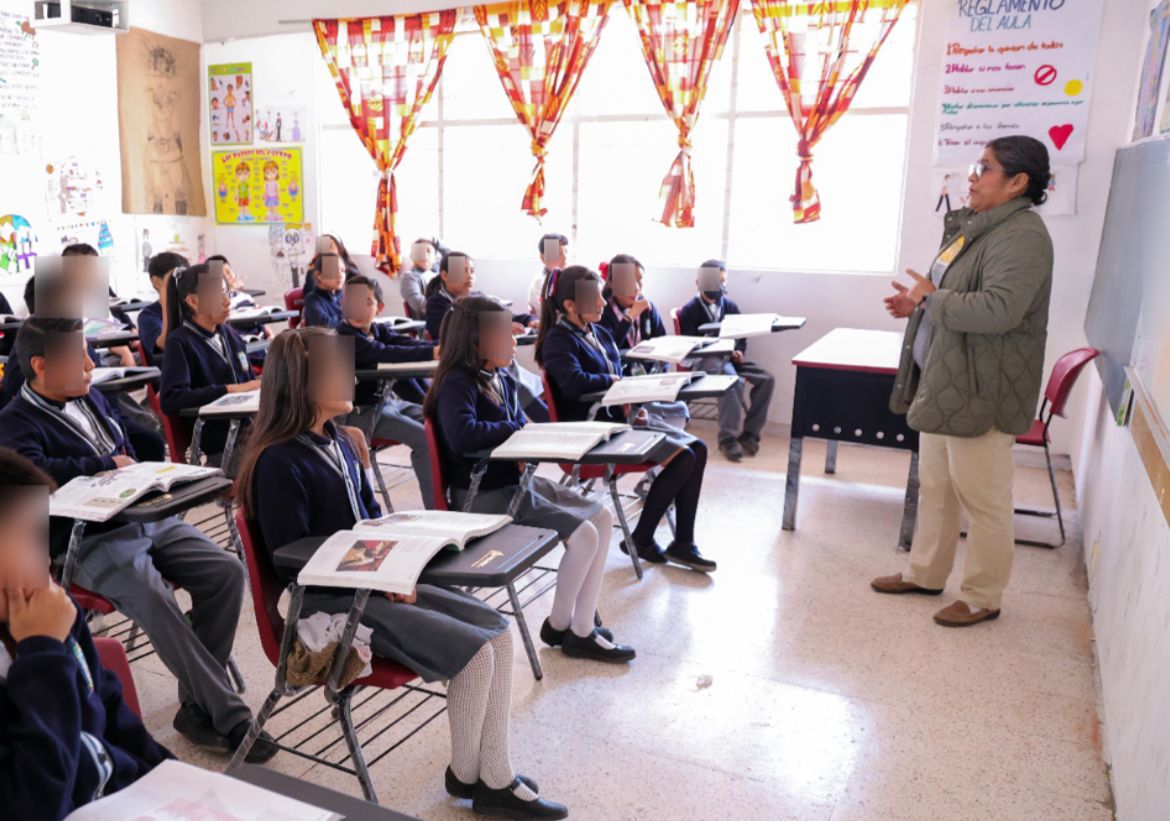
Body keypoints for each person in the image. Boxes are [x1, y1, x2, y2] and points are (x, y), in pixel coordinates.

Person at [236, 327, 569, 820]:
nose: (351, 375)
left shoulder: (339, 440)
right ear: (301, 383)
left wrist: (408, 548)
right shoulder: (278, 461)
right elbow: (294, 556)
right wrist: (380, 574)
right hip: (334, 603)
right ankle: (491, 780)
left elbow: (370, 517)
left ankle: (475, 773)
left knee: (497, 634)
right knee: (476, 655)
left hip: (375, 581)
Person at [0, 319, 276, 762]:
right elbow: (41, 477)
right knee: (153, 596)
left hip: (146, 518)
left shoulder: (89, 397)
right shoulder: (13, 423)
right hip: (88, 539)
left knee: (224, 572)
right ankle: (230, 715)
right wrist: (103, 462)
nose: (91, 365)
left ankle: (194, 703)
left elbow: (127, 445)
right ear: (41, 365)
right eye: (79, 357)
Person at [871, 135, 1056, 628]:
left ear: (1018, 182)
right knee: (937, 487)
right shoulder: (976, 227)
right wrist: (918, 304)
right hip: (945, 377)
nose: (972, 176)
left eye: (985, 167)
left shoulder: (1022, 236)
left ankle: (982, 596)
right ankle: (926, 573)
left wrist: (933, 299)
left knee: (984, 498)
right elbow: (948, 293)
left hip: (981, 385)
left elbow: (999, 309)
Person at [425, 296, 636, 662]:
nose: (513, 340)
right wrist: (517, 429)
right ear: (476, 340)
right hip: (483, 495)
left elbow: (517, 424)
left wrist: (533, 435)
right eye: (503, 333)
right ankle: (562, 626)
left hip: (513, 485)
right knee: (584, 536)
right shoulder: (456, 383)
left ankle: (581, 626)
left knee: (600, 517)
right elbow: (463, 436)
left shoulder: (500, 378)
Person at [0, 447, 174, 817]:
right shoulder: (44, 630)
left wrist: (177, 782)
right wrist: (41, 650)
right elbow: (31, 805)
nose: (46, 559)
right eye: (29, 539)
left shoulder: (54, 613)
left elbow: (115, 718)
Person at [536, 266, 716, 573]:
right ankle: (641, 538)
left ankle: (683, 543)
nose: (603, 303)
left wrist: (634, 396)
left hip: (619, 420)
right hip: (592, 433)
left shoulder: (598, 332)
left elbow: (617, 370)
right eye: (593, 297)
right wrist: (614, 381)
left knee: (697, 449)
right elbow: (573, 383)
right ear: (569, 305)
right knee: (683, 457)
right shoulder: (558, 340)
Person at [336, 275, 439, 508]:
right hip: (357, 414)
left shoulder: (376, 329)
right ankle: (436, 509)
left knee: (438, 416)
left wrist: (437, 348)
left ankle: (449, 491)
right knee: (422, 438)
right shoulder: (344, 335)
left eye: (367, 301)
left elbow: (403, 344)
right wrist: (431, 354)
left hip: (385, 405)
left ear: (379, 308)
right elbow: (384, 352)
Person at [159, 264, 261, 465]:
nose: (226, 302)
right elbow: (171, 399)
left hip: (250, 429)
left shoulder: (228, 334)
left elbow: (248, 382)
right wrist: (229, 390)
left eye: (226, 292)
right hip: (224, 443)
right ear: (194, 302)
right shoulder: (180, 342)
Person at [677, 260, 776, 462]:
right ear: (699, 283)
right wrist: (716, 346)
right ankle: (727, 438)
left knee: (767, 379)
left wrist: (738, 350)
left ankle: (750, 433)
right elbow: (688, 345)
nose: (718, 288)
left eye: (722, 282)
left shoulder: (730, 306)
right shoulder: (690, 310)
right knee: (734, 382)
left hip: (730, 359)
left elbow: (741, 336)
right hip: (706, 363)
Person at [598, 253, 688, 429]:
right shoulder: (602, 311)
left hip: (649, 378)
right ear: (612, 283)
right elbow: (608, 350)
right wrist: (630, 317)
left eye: (639, 280)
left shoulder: (647, 307)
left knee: (680, 409)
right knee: (653, 416)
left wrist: (662, 376)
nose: (636, 287)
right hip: (623, 381)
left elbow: (662, 342)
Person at [138, 252, 189, 364]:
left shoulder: (191, 307)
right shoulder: (147, 316)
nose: (182, 283)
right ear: (156, 282)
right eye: (175, 277)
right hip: (172, 374)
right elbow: (166, 343)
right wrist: (168, 298)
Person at [301, 253, 345, 329]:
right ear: (319, 275)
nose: (340, 275)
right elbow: (323, 325)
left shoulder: (345, 296)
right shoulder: (312, 300)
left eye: (343, 270)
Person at [529, 233, 567, 315]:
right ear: (543, 258)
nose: (565, 257)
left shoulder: (571, 278)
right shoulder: (539, 283)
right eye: (559, 253)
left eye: (566, 252)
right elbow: (552, 313)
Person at [400, 237, 437, 318]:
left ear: (435, 258)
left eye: (428, 251)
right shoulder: (409, 277)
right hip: (427, 324)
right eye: (419, 251)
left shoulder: (438, 275)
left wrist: (437, 242)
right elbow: (418, 303)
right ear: (412, 256)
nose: (424, 255)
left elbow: (455, 257)